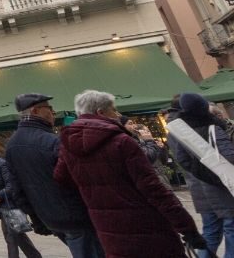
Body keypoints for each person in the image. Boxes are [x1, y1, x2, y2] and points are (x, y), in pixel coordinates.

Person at [55, 89, 205, 258]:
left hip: (108, 229)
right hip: (146, 226)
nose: (117, 114)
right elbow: (154, 188)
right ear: (101, 112)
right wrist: (187, 227)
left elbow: (62, 178)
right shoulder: (121, 141)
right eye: (114, 110)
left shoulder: (67, 146)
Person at [5, 93, 103, 258]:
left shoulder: (12, 145)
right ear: (35, 111)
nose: (53, 112)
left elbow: (17, 189)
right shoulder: (51, 141)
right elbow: (78, 178)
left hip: (50, 218)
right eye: (49, 108)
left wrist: (36, 218)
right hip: (76, 216)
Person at [167, 92, 234, 258]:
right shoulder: (210, 126)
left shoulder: (177, 130)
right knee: (230, 227)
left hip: (200, 187)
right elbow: (229, 156)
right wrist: (215, 175)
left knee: (211, 230)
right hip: (222, 186)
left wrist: (202, 174)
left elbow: (183, 160)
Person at [0, 138, 42, 258]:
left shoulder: (2, 164)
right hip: (0, 207)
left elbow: (11, 185)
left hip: (11, 205)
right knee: (18, 236)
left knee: (10, 237)